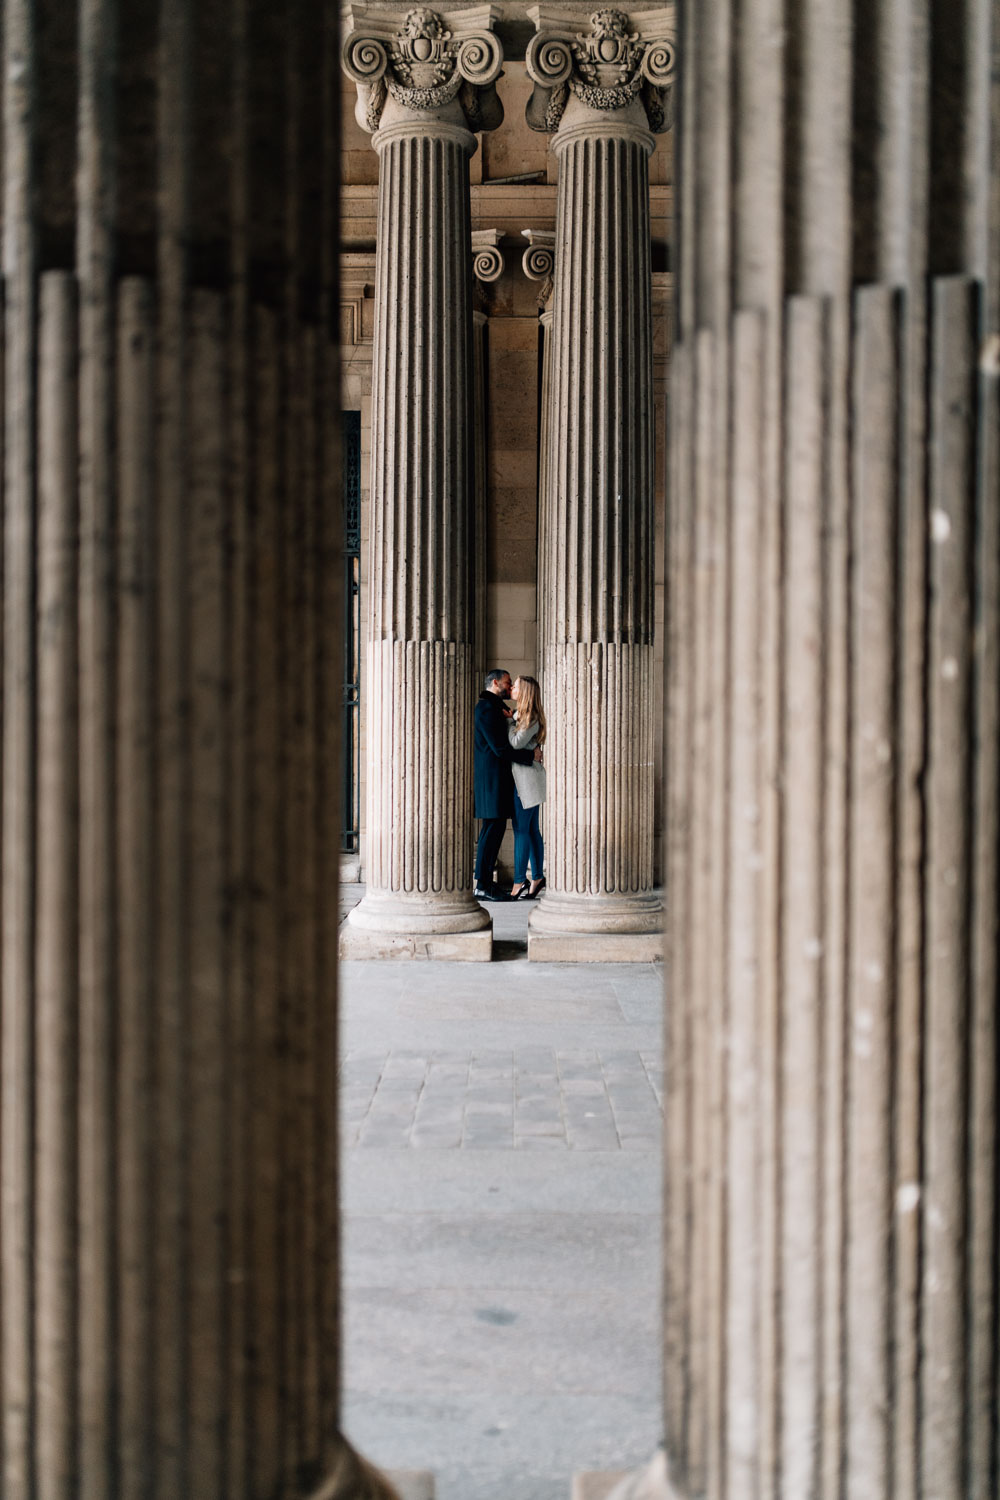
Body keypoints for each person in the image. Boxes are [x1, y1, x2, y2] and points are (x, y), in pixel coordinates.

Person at [473, 668, 542, 901]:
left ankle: (485, 884)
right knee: (492, 831)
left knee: (495, 830)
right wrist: (530, 756)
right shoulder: (486, 708)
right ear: (495, 683)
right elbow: (501, 748)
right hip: (492, 781)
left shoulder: (496, 709)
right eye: (507, 682)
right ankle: (483, 885)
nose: (510, 686)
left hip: (498, 780)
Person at [507, 675, 546, 899]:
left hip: (527, 781)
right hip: (528, 779)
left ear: (525, 693)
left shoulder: (529, 718)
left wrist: (508, 721)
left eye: (516, 686)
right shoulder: (523, 716)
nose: (512, 688)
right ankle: (537, 877)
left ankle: (520, 881)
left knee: (522, 830)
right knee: (530, 830)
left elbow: (515, 743)